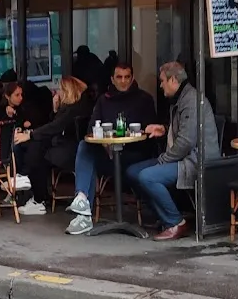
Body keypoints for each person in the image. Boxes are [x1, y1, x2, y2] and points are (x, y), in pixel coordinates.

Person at [126, 61, 220, 241]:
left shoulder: (191, 100)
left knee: (147, 176)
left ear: (173, 80)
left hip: (195, 161)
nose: (160, 85)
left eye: (162, 81)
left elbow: (186, 142)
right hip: (183, 157)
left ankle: (175, 222)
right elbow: (184, 131)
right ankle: (163, 216)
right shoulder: (182, 98)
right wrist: (164, 128)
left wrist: (163, 160)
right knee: (132, 172)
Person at [64, 61, 157, 235]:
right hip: (109, 155)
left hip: (135, 155)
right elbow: (91, 129)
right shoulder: (104, 100)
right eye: (119, 77)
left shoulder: (144, 99)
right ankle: (82, 202)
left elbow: (152, 132)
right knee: (85, 147)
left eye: (127, 77)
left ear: (132, 78)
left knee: (88, 155)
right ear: (112, 79)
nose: (123, 81)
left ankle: (84, 212)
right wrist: (105, 142)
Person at [13, 76, 93, 215]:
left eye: (61, 90)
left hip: (72, 150)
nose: (58, 93)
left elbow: (55, 126)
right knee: (35, 146)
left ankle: (37, 196)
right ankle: (33, 190)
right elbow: (54, 125)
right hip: (64, 146)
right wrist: (55, 109)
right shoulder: (75, 106)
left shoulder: (74, 108)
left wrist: (31, 135)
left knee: (37, 150)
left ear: (68, 91)